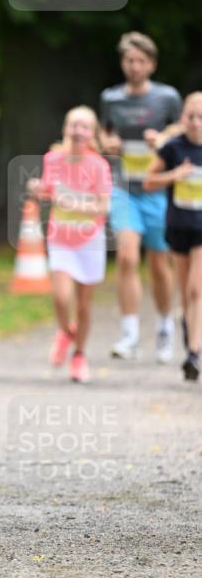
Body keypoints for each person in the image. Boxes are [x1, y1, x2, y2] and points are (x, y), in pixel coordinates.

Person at [99, 32, 182, 361]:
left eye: (140, 61)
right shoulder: (111, 97)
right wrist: (108, 142)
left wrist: (161, 137)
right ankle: (130, 333)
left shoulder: (167, 97)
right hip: (124, 187)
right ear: (123, 63)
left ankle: (165, 327)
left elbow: (183, 130)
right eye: (129, 60)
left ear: (151, 64)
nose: (134, 66)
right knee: (127, 257)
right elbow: (103, 130)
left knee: (160, 265)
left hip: (157, 188)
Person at [27, 106, 112, 383]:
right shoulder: (52, 159)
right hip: (60, 239)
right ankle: (66, 330)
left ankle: (79, 355)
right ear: (65, 129)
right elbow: (49, 191)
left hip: (89, 241)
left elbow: (102, 208)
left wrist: (71, 203)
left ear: (92, 133)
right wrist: (38, 189)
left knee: (84, 305)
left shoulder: (99, 165)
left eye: (84, 126)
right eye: (73, 125)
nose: (78, 131)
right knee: (62, 298)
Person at [144, 92, 202, 381]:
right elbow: (149, 181)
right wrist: (175, 175)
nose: (196, 122)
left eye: (201, 117)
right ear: (182, 119)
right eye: (191, 116)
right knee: (185, 292)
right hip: (179, 227)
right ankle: (190, 334)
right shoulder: (173, 148)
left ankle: (193, 353)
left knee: (195, 290)